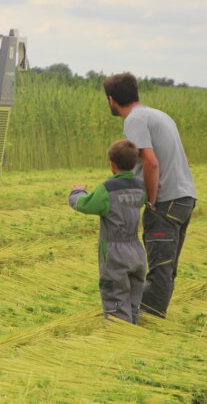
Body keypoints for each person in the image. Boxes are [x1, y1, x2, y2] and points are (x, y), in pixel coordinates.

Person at [103, 72, 197, 318]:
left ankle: (149, 319)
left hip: (166, 201)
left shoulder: (135, 119)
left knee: (159, 268)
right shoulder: (159, 115)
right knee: (167, 266)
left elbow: (150, 162)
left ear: (111, 100)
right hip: (185, 197)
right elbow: (183, 158)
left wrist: (152, 201)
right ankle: (151, 313)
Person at [68, 139, 147, 324]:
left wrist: (77, 192)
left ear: (112, 164)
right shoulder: (140, 186)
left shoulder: (108, 189)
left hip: (115, 253)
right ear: (134, 163)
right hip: (137, 250)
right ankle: (135, 335)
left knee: (115, 302)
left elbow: (84, 205)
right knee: (133, 302)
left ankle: (119, 338)